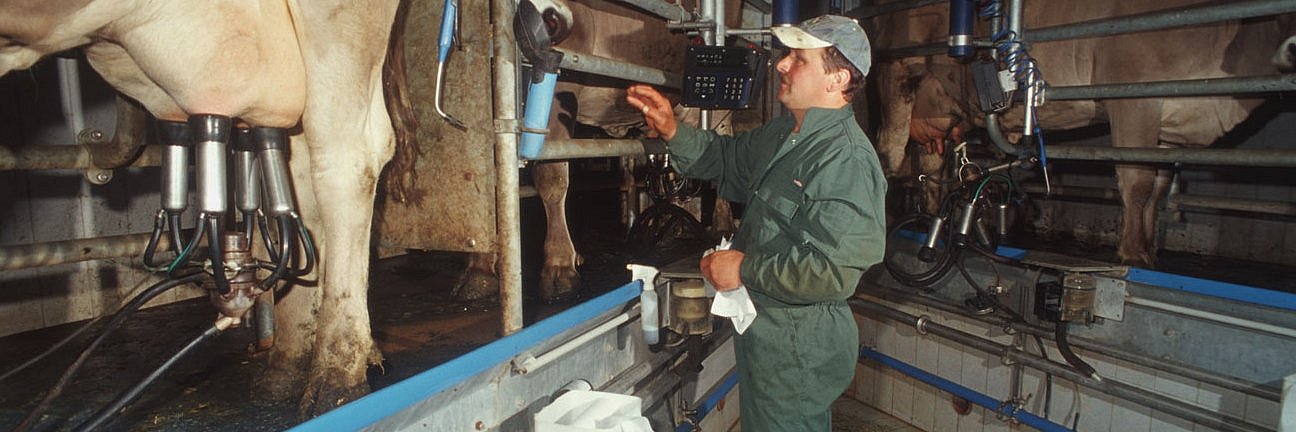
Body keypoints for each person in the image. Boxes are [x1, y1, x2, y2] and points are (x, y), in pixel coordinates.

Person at [626, 15, 886, 432]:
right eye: (787, 55)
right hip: (769, 330)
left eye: (799, 58)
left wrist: (742, 268)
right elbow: (725, 159)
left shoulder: (845, 159)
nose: (782, 65)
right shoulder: (786, 133)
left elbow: (833, 272)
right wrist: (673, 129)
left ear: (836, 79)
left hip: (800, 341)